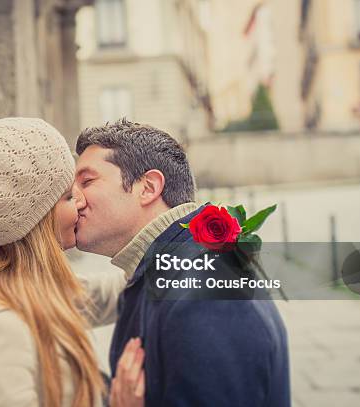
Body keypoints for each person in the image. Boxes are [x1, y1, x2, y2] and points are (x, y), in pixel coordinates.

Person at [73, 118, 291, 407]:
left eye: (86, 181)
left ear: (148, 188)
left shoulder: (203, 294)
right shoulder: (165, 268)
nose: (73, 199)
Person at [0, 118, 143, 407]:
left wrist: (185, 246)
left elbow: (114, 293)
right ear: (31, 220)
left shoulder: (16, 280)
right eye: (69, 196)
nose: (82, 201)